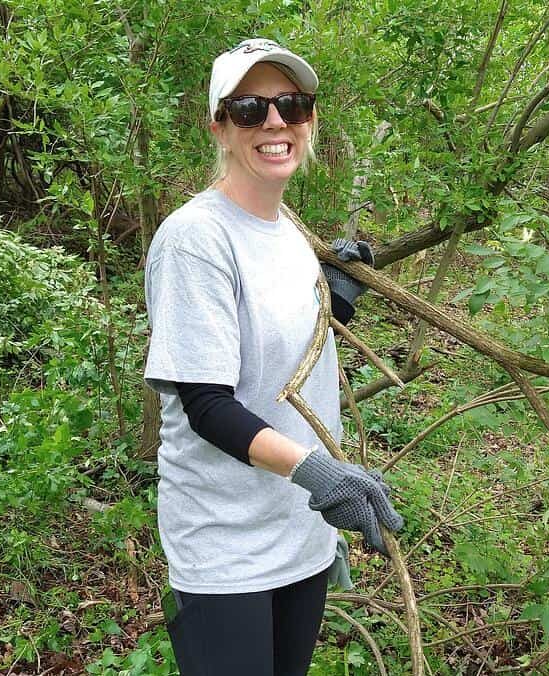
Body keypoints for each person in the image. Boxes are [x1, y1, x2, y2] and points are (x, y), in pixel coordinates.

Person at [142, 38, 405, 676]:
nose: (276, 122)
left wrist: (335, 304)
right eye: (250, 109)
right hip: (226, 542)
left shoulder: (287, 229)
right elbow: (206, 405)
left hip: (299, 531)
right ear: (220, 127)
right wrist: (319, 472)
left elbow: (283, 361)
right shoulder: (195, 241)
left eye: (292, 104)